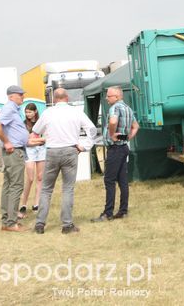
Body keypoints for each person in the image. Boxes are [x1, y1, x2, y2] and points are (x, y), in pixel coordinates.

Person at [32, 88, 96, 234]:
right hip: (70, 150)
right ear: (67, 98)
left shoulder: (48, 113)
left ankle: (40, 224)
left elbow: (36, 130)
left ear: (54, 99)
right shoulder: (76, 112)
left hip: (52, 151)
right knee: (68, 188)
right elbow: (91, 129)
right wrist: (84, 146)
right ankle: (67, 225)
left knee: (46, 189)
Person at [92, 87, 139, 223]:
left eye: (109, 96)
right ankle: (123, 211)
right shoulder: (128, 109)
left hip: (115, 149)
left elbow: (113, 122)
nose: (107, 98)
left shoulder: (115, 108)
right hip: (123, 147)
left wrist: (112, 135)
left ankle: (108, 213)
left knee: (109, 180)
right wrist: (129, 137)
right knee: (123, 181)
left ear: (117, 96)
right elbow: (136, 126)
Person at [0, 85, 29, 232]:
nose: (22, 97)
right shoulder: (9, 108)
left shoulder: (12, 109)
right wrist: (6, 142)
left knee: (8, 185)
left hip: (14, 152)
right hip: (14, 153)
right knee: (16, 186)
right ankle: (11, 222)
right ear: (11, 96)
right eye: (20, 95)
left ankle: (7, 220)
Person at [19, 102, 46, 216]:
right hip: (29, 151)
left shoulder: (41, 123)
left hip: (41, 150)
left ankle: (36, 204)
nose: (28, 114)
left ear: (35, 112)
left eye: (30, 112)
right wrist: (40, 140)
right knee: (30, 178)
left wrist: (37, 140)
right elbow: (26, 142)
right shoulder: (24, 124)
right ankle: (23, 204)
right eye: (26, 112)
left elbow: (47, 138)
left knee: (40, 178)